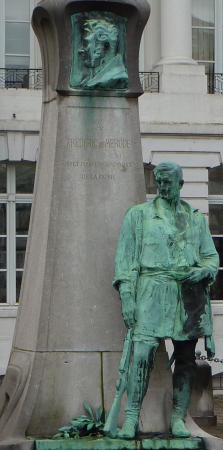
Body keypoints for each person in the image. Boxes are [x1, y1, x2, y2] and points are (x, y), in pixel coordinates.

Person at [109, 161, 219, 439]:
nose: (163, 186)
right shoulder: (139, 215)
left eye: (168, 182)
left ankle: (179, 418)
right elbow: (126, 260)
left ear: (181, 184)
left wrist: (202, 271)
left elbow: (211, 258)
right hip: (151, 291)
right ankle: (131, 417)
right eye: (159, 181)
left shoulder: (194, 218)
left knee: (185, 359)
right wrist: (127, 296)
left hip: (187, 295)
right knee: (142, 354)